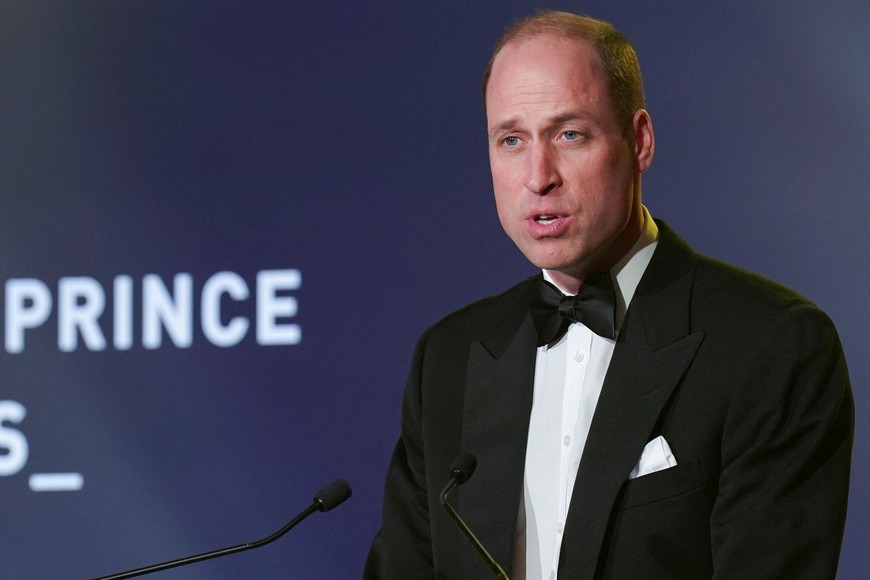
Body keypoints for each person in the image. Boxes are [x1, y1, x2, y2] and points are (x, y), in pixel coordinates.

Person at [365, 10, 853, 580]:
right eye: (511, 139)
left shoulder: (770, 345)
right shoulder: (448, 358)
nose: (538, 175)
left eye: (570, 134)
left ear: (639, 141)